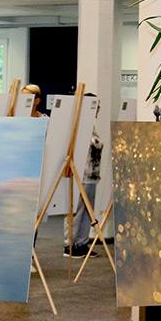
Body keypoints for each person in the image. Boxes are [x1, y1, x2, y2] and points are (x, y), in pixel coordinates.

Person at [65, 93, 103, 258]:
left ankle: (81, 243)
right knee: (77, 210)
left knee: (88, 210)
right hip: (81, 174)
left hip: (92, 175)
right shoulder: (77, 126)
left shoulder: (91, 126)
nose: (98, 109)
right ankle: (70, 244)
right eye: (95, 105)